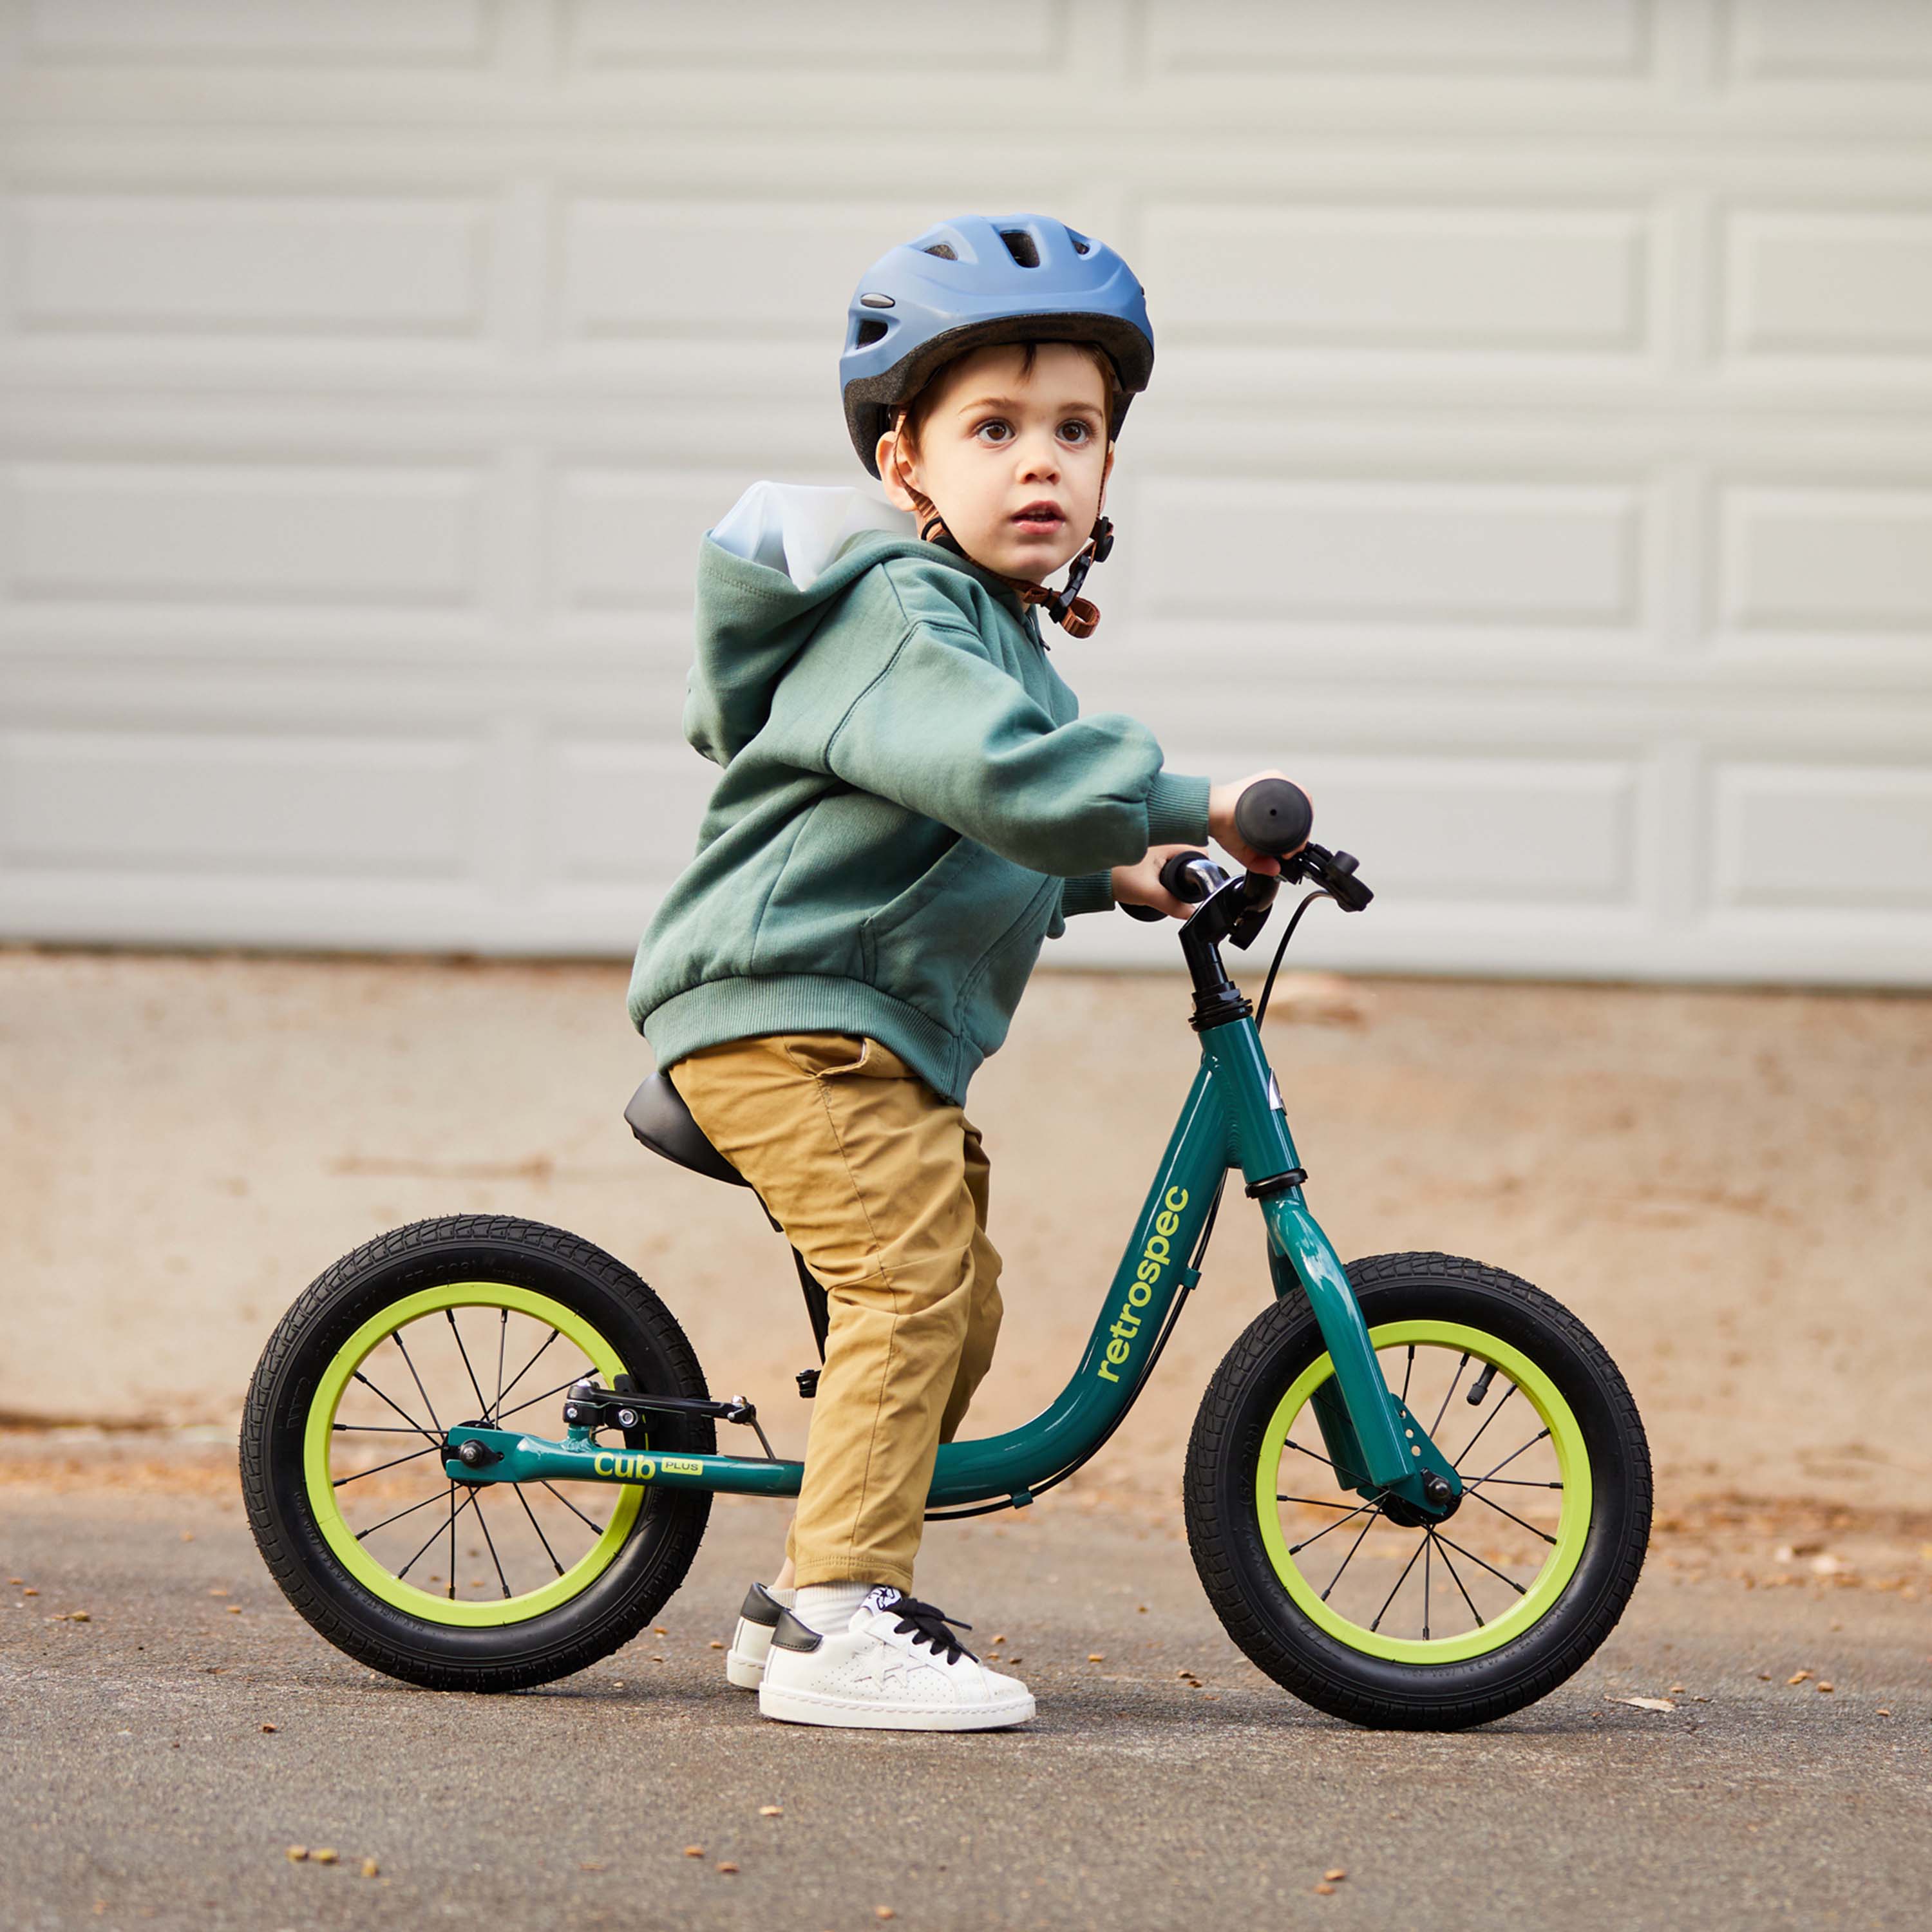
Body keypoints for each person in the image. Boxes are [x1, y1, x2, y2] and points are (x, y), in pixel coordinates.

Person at [627, 213, 1294, 1730]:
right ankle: (836, 1621)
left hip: (868, 1037)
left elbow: (991, 820)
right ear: (905, 464)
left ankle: (806, 1585)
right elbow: (1004, 777)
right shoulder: (904, 614)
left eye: (1077, 429)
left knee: (958, 1312)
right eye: (994, 428)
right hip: (792, 1020)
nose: (1042, 462)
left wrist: (1121, 867)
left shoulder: (1001, 645)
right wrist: (1189, 802)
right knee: (909, 1286)